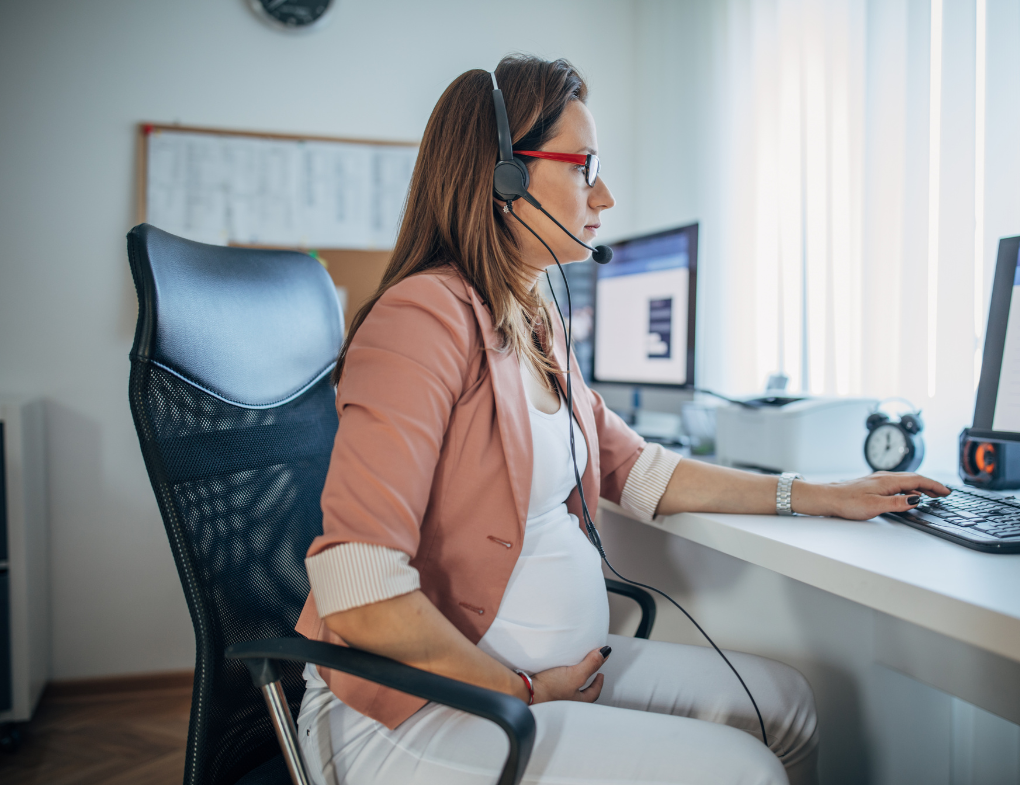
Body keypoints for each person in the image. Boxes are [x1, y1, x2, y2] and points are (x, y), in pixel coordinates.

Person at [294, 54, 951, 785]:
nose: (603, 194)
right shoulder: (422, 318)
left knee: (787, 707)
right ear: (504, 178)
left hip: (538, 676)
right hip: (416, 710)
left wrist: (819, 491)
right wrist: (521, 690)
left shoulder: (532, 316)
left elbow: (633, 468)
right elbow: (359, 594)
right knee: (747, 771)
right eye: (584, 166)